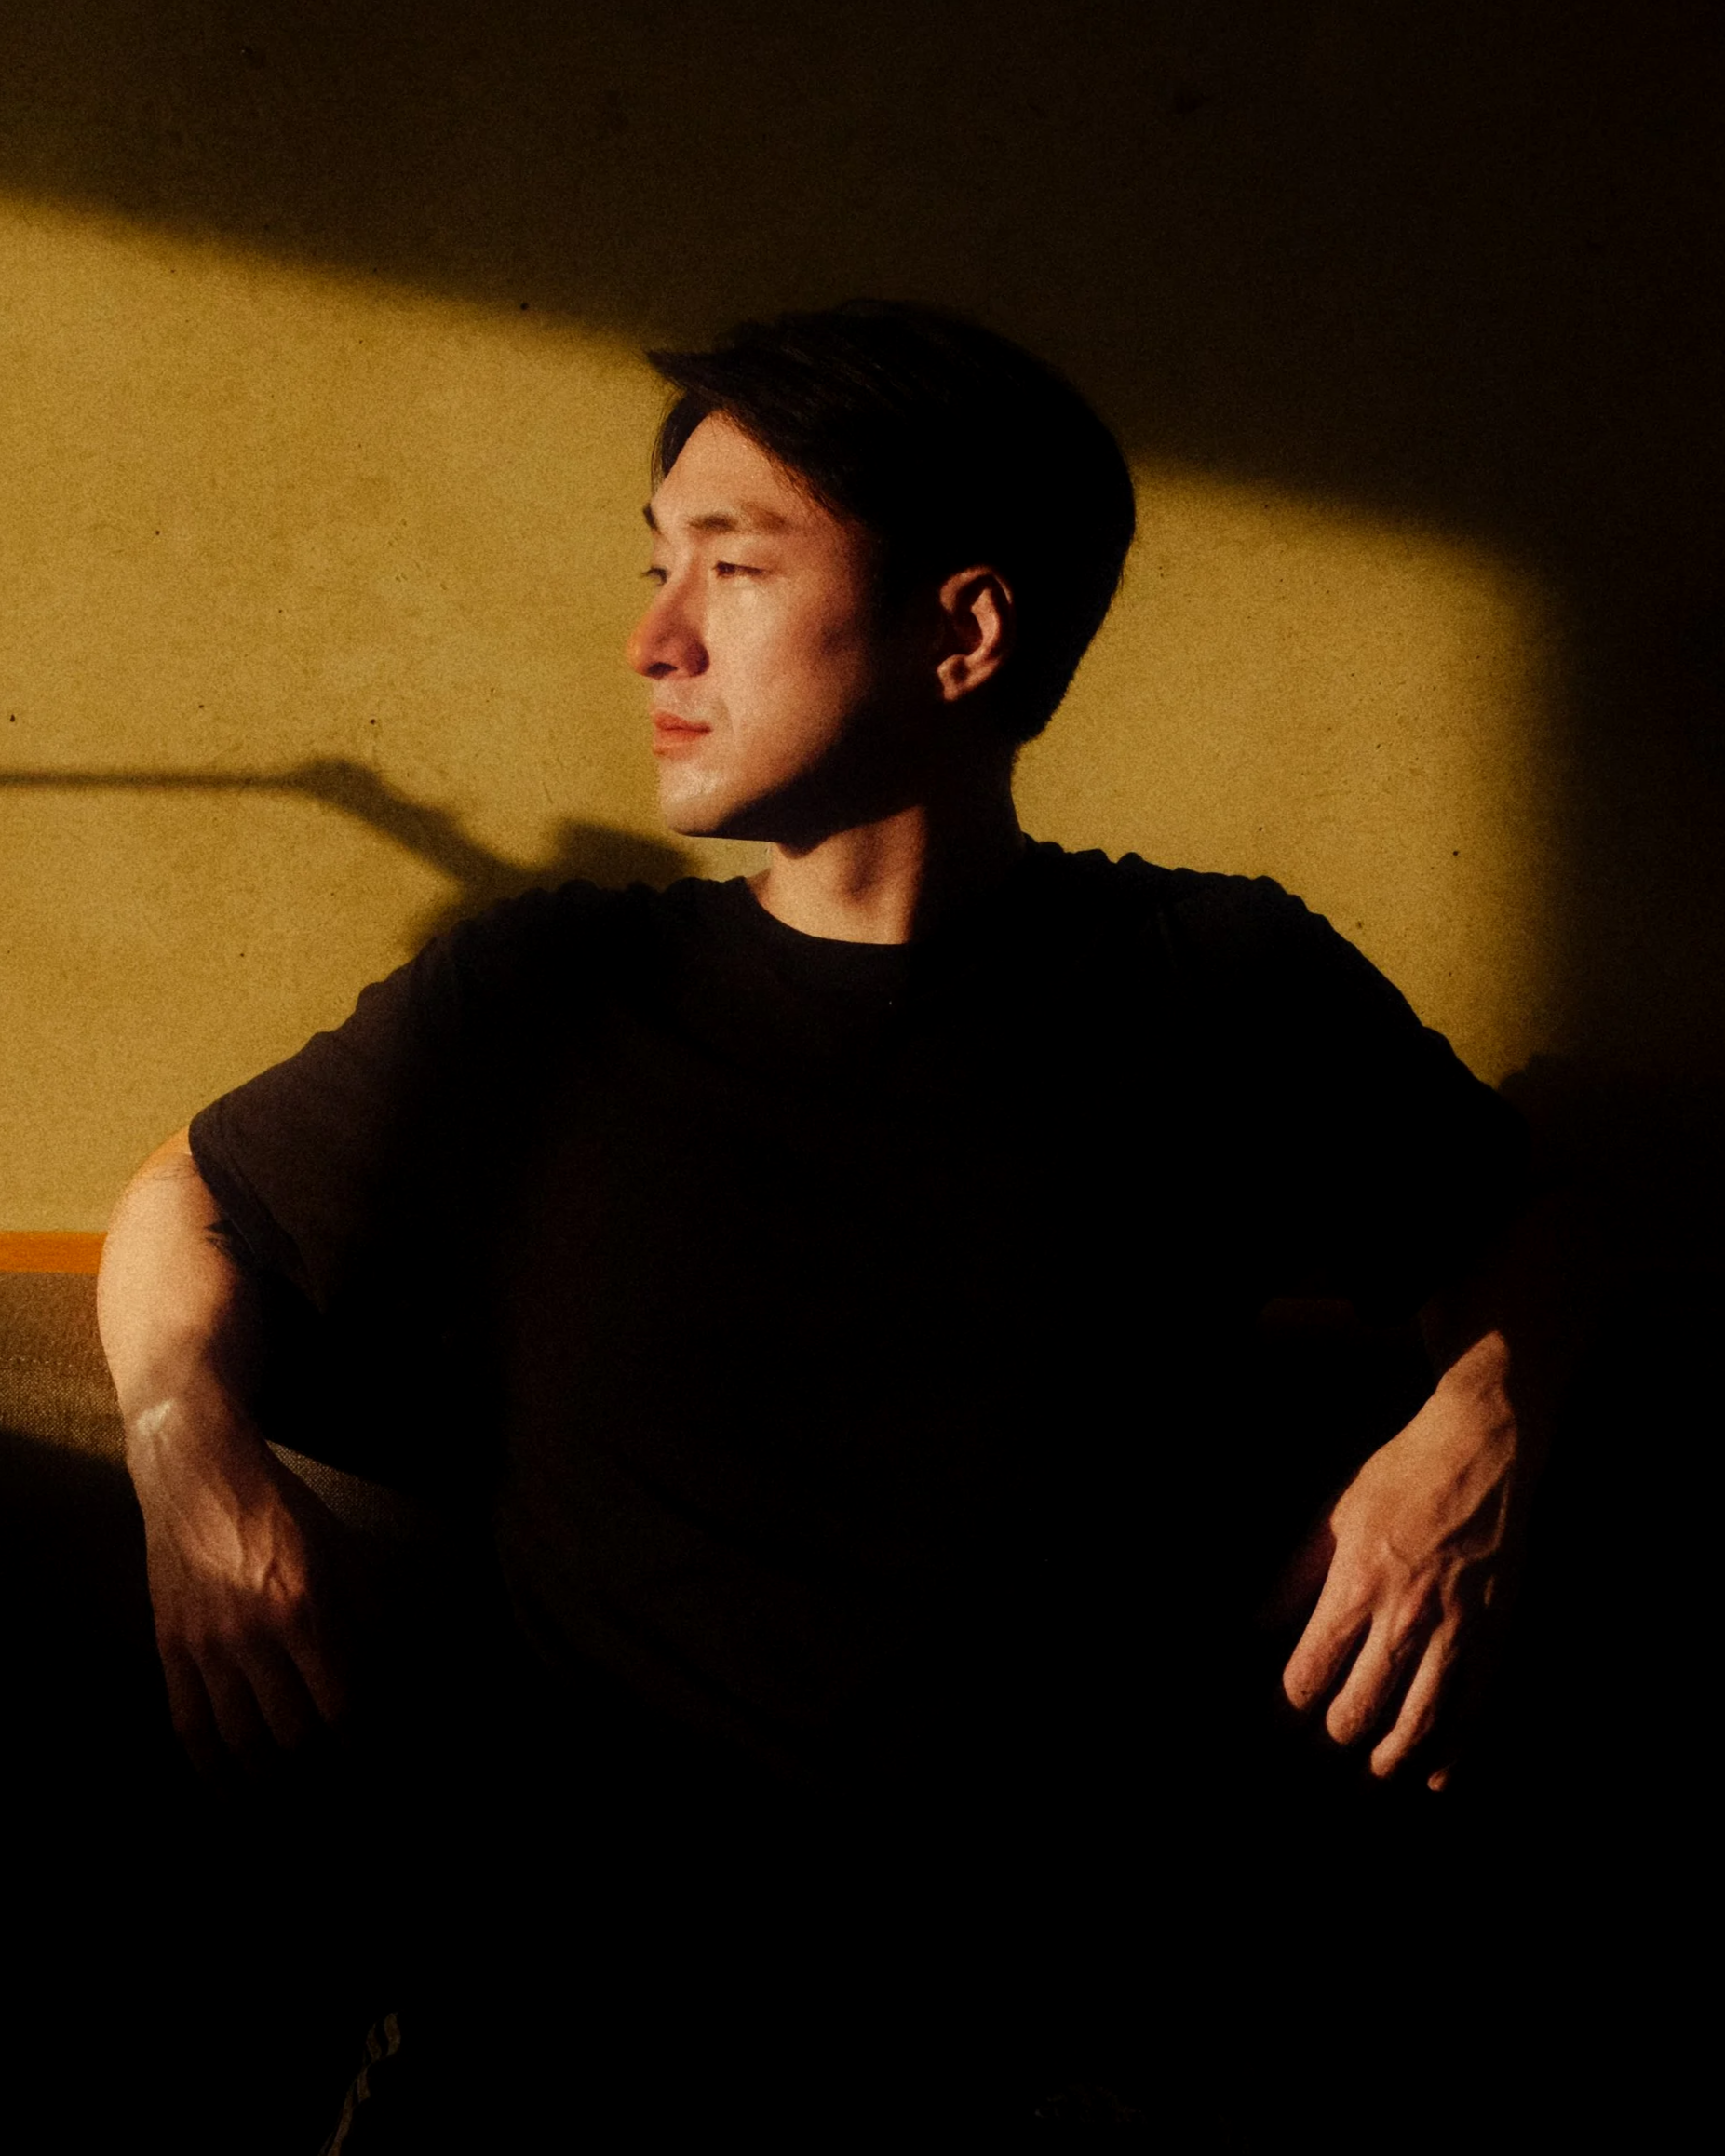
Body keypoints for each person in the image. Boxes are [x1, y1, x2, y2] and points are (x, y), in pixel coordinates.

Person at [97, 303, 1562, 2137]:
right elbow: (188, 1200)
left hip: (1061, 2045)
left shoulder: (1215, 982)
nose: (653, 641)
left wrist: (1477, 1428)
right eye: (654, 568)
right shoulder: (545, 996)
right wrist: (187, 1458)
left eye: (731, 568)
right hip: (576, 2034)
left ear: (964, 632)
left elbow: (1522, 1228)